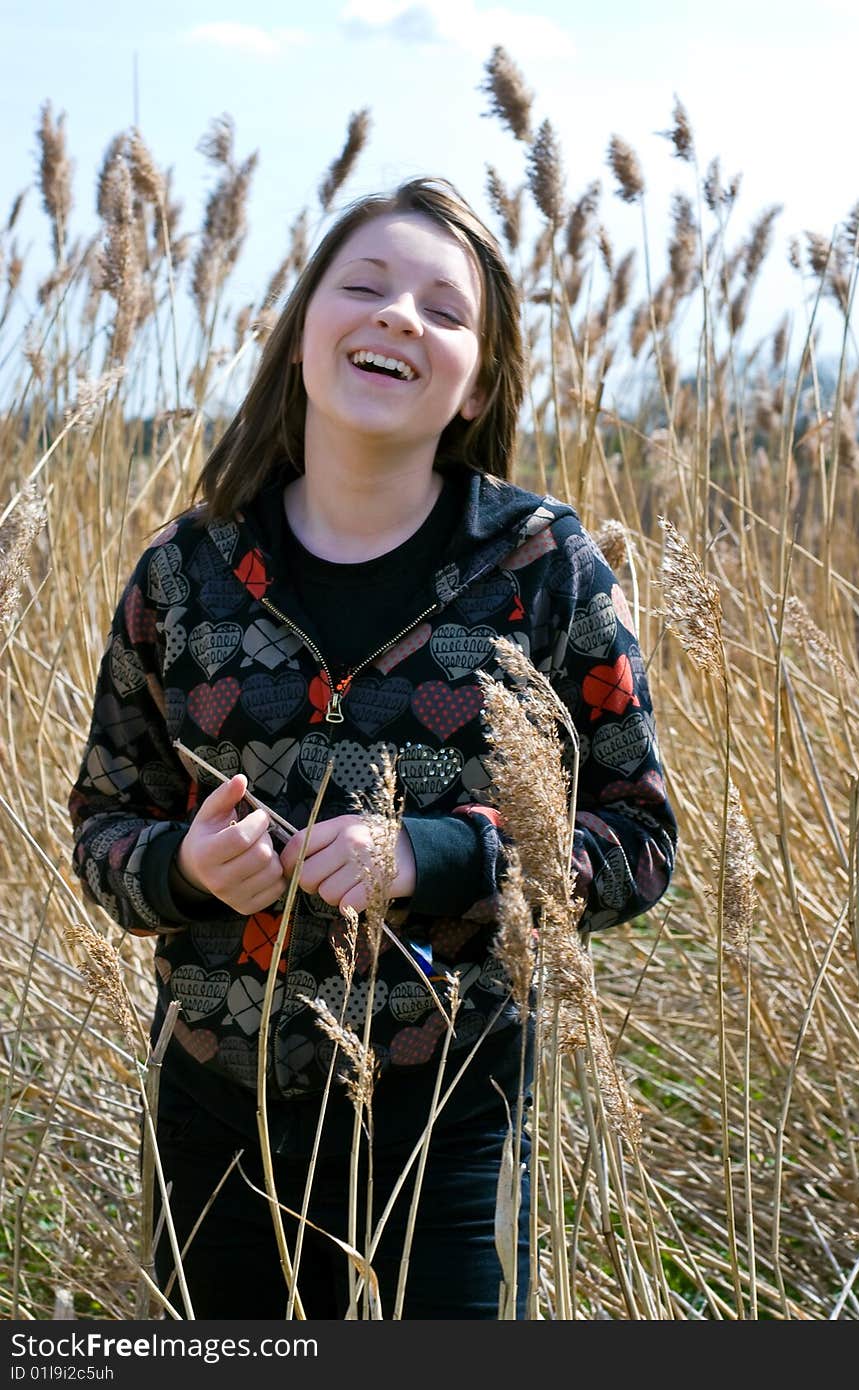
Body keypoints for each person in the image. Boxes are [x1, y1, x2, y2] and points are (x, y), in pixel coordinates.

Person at [68, 176, 677, 1320]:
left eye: (443, 310)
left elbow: (640, 841)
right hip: (215, 1112)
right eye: (365, 286)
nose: (399, 315)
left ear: (479, 380)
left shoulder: (541, 566)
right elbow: (101, 825)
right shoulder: (182, 573)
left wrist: (436, 855)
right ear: (303, 327)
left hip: (448, 1115)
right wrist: (185, 867)